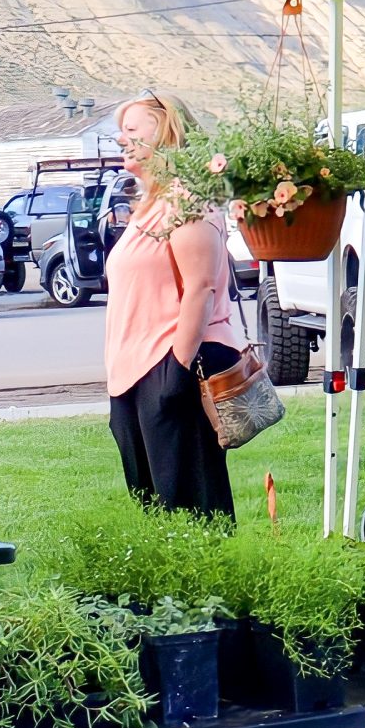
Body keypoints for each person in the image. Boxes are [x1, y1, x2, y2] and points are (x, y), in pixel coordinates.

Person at [104, 93, 241, 517]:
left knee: (190, 503)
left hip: (172, 363)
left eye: (132, 130)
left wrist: (176, 370)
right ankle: (167, 580)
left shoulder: (187, 201)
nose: (121, 139)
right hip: (133, 374)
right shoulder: (150, 206)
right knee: (154, 504)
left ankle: (208, 581)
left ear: (167, 133)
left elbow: (201, 288)